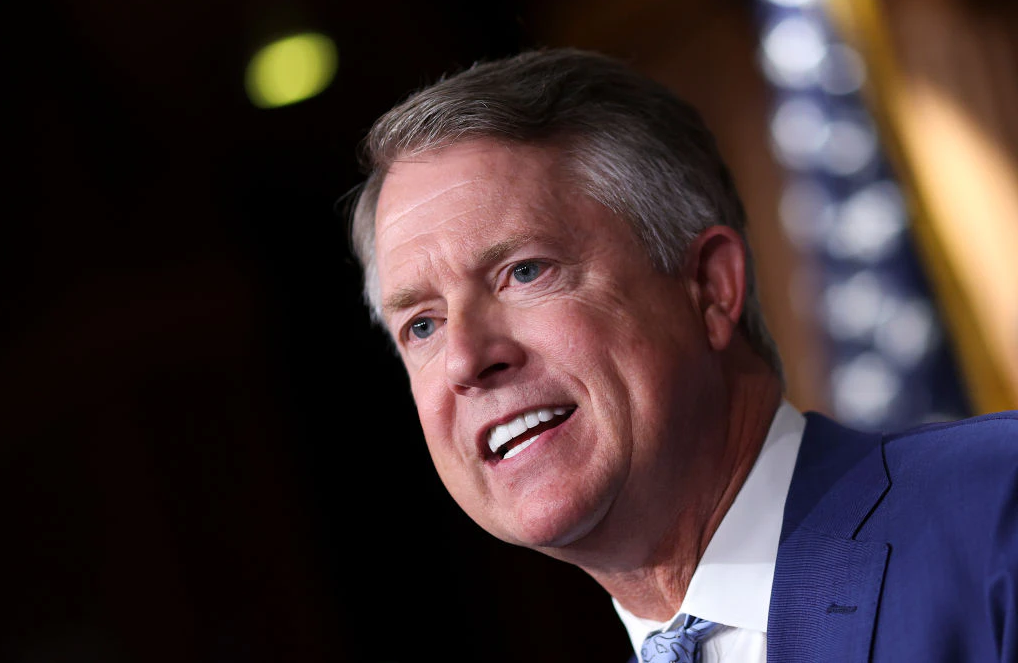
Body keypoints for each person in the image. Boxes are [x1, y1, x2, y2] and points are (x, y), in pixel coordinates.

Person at [344, 47, 1018, 662]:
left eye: (524, 272)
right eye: (423, 325)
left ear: (710, 286)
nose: (465, 358)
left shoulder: (995, 515)